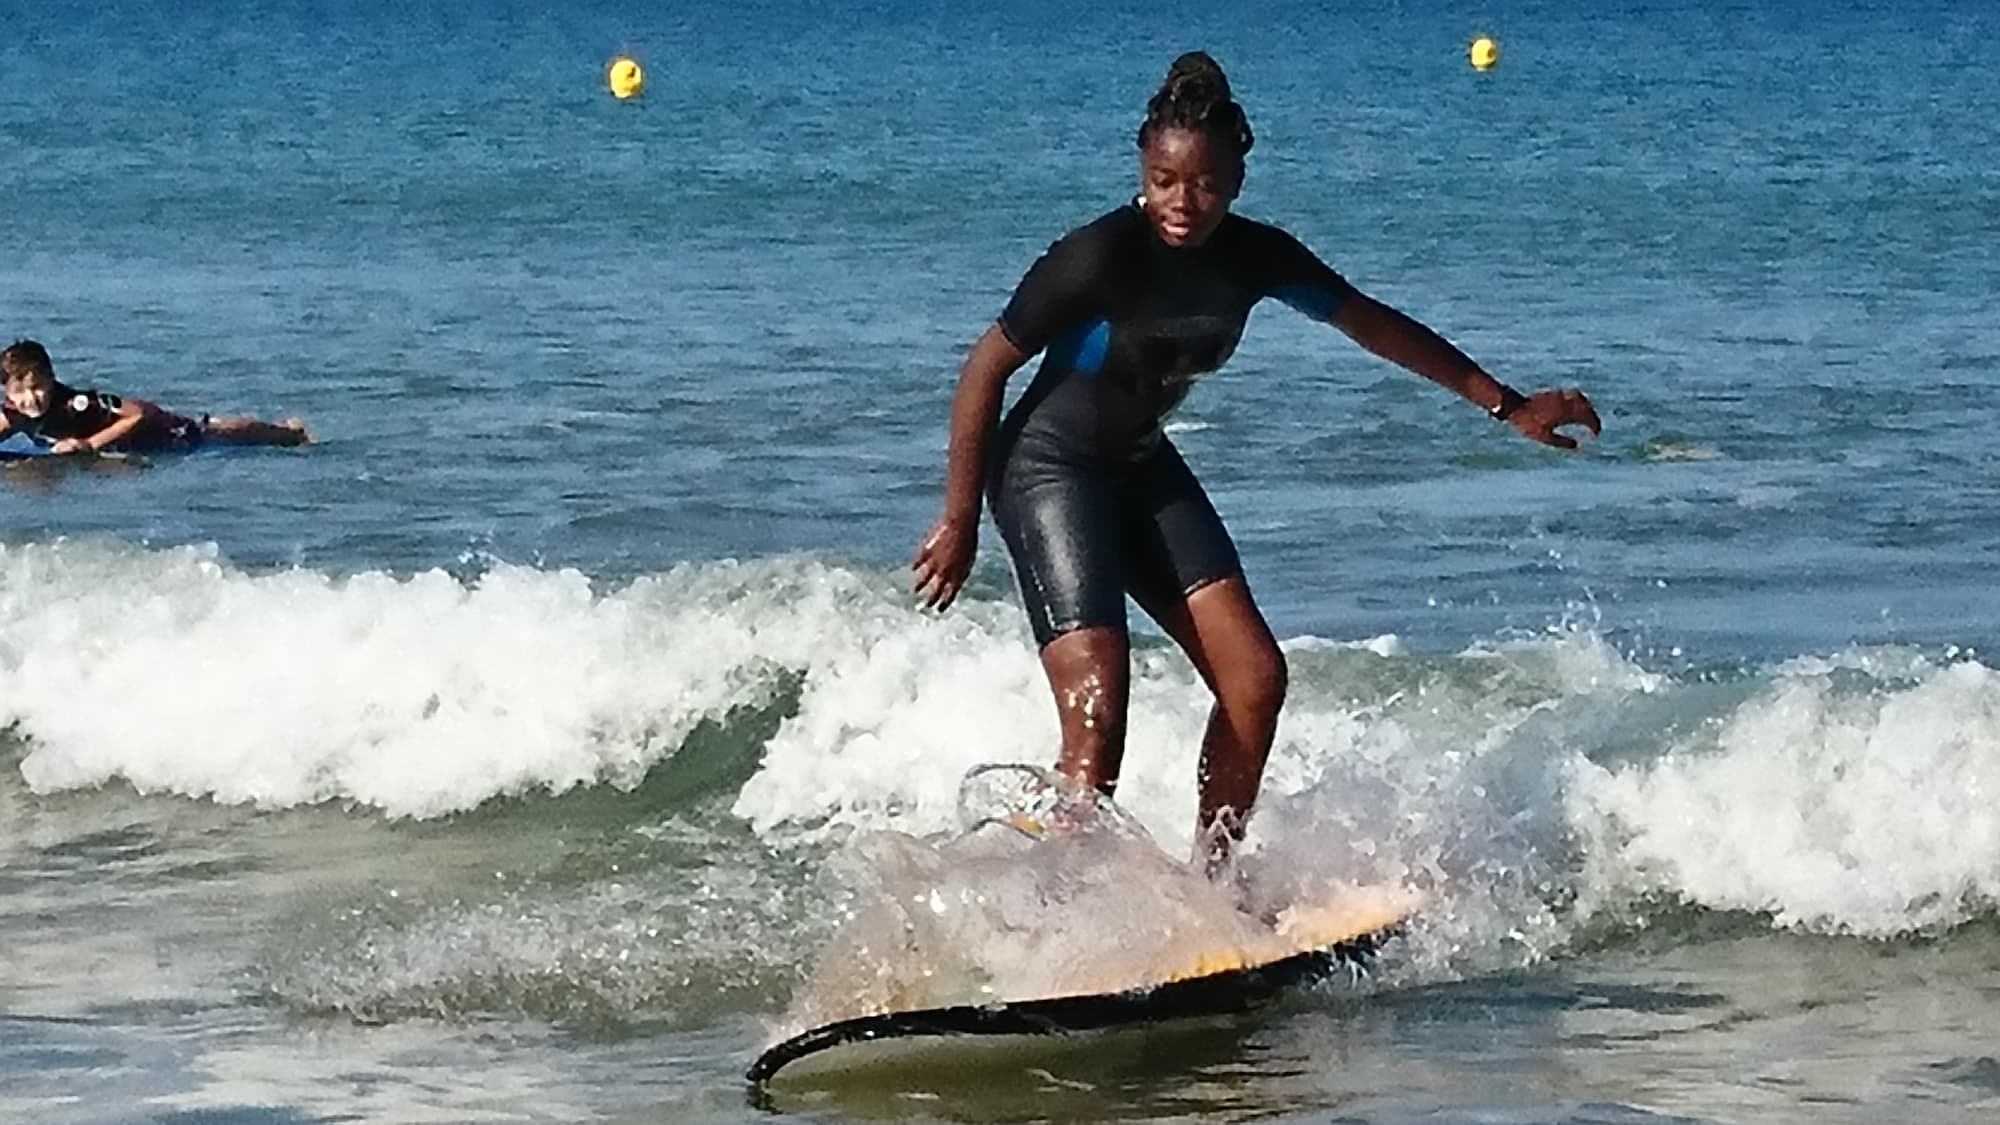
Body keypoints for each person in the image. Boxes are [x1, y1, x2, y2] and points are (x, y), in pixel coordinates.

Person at [910, 52, 1600, 873]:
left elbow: (1374, 324)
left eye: (1202, 183)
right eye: (1164, 179)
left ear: (1236, 177)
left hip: (1136, 465)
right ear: (1143, 167)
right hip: (1046, 473)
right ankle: (1055, 905)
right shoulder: (1098, 257)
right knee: (1100, 707)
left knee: (1255, 679)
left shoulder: (1257, 256)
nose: (1181, 202)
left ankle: (1212, 884)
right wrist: (959, 520)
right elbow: (986, 367)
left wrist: (1508, 404)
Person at [0, 339, 309, 454]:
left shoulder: (78, 404)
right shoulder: (14, 413)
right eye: (21, 391)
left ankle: (288, 433)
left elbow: (136, 414)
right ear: (7, 393)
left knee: (211, 433)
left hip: (156, 429)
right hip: (128, 447)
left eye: (38, 386)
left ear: (52, 380)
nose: (32, 398)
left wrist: (88, 444)